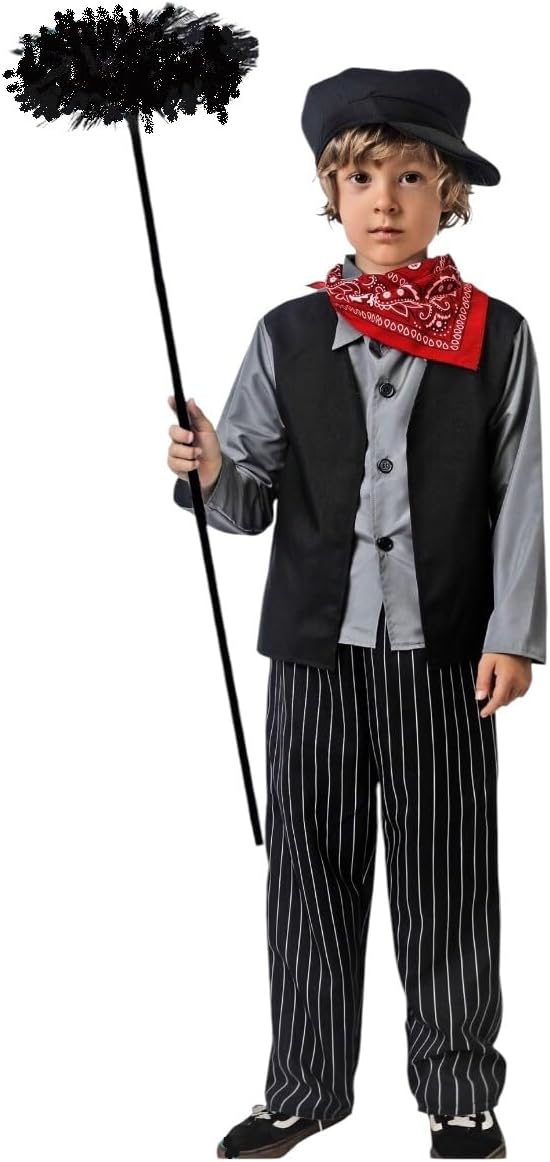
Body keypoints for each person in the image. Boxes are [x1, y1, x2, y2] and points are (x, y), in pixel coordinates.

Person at [167, 68, 546, 1160]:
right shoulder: (287, 333)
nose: (385, 200)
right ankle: (303, 1087)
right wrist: (206, 464)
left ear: (449, 196)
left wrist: (513, 635)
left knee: (447, 873)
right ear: (332, 193)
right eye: (363, 177)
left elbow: (521, 492)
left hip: (444, 652)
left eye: (411, 178)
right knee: (307, 869)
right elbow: (245, 500)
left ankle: (459, 1091)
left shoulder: (498, 335)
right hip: (314, 652)